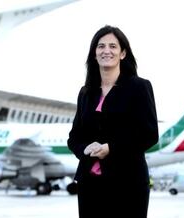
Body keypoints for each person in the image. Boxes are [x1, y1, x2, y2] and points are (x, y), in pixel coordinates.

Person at [67, 25, 159, 218]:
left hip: (128, 183)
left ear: (123, 53)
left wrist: (112, 148)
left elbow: (149, 134)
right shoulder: (86, 92)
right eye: (100, 46)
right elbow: (74, 138)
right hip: (89, 184)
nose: (106, 51)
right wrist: (84, 149)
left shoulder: (139, 87)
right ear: (94, 53)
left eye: (112, 46)